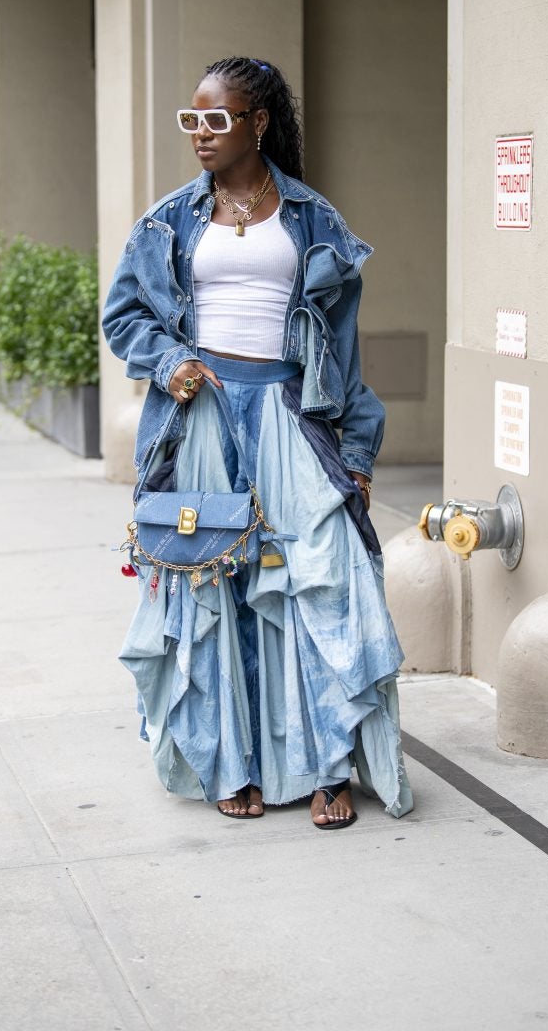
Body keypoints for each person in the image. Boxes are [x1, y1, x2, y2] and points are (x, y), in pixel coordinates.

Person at [103, 56, 413, 828]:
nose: (200, 136)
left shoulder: (312, 220)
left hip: (287, 414)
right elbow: (125, 317)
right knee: (214, 584)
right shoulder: (169, 220)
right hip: (202, 412)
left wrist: (357, 452)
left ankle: (328, 766)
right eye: (192, 120)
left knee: (318, 581)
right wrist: (170, 360)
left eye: (216, 120)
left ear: (258, 123)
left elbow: (342, 350)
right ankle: (228, 761)